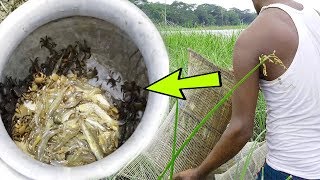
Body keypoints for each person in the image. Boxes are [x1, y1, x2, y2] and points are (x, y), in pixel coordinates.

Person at [173, 0, 320, 179]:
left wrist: (198, 173)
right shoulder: (313, 16)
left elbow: (241, 130)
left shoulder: (253, 37)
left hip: (290, 170)